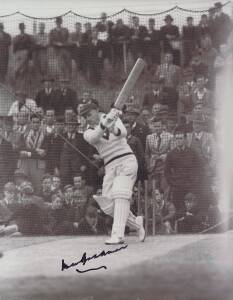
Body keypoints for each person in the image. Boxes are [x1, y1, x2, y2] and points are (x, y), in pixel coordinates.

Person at [80, 101, 145, 245]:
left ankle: (118, 235)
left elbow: (123, 133)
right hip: (110, 166)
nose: (88, 118)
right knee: (108, 206)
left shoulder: (113, 117)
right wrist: (104, 124)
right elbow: (94, 137)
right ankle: (137, 225)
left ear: (97, 110)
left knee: (120, 194)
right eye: (85, 116)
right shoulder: (87, 132)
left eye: (89, 114)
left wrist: (112, 126)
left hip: (126, 160)